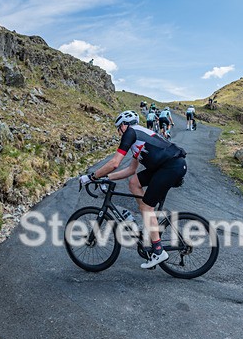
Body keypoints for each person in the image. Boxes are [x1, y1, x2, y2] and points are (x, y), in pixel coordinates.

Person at [79, 110, 187, 269]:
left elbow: (115, 163)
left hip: (171, 167)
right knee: (134, 182)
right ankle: (149, 223)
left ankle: (158, 250)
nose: (119, 132)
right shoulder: (139, 136)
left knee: (147, 206)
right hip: (167, 166)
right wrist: (107, 178)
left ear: (123, 125)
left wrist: (92, 177)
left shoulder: (130, 133)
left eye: (118, 128)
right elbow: (130, 170)